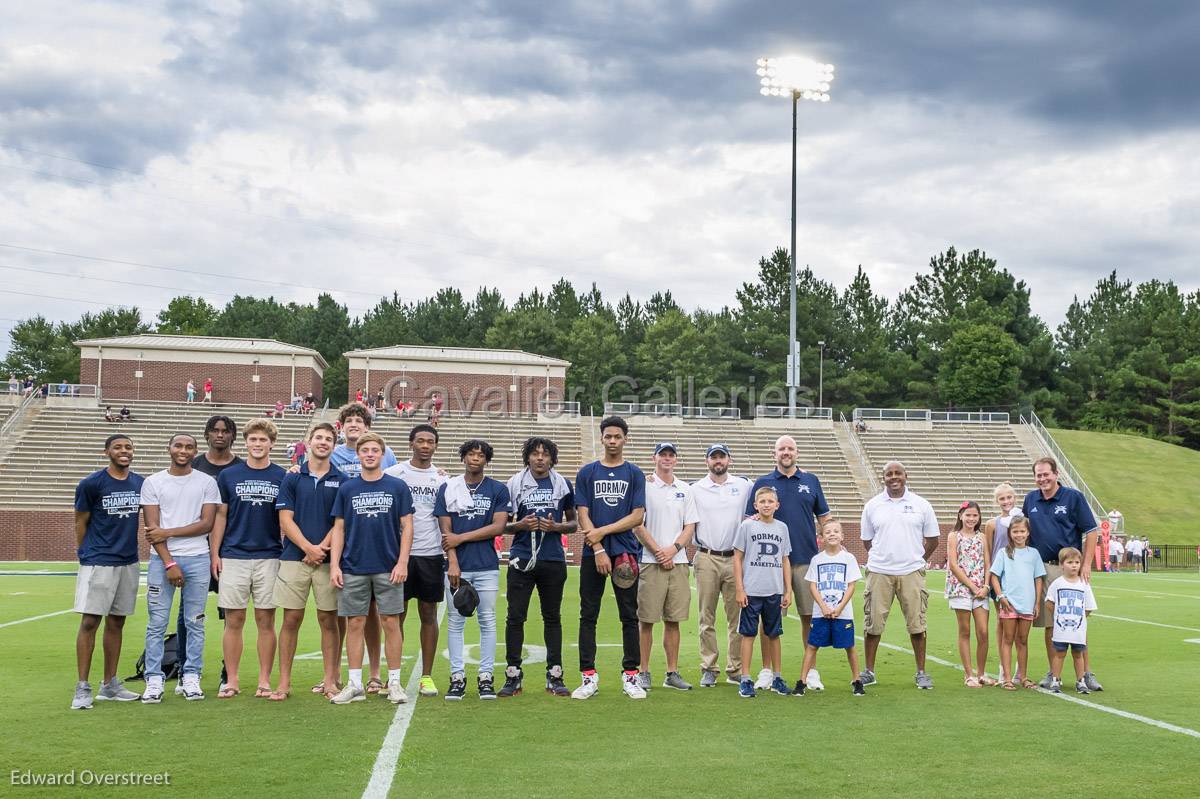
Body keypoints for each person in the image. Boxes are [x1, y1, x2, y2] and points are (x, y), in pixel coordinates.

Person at [328, 432, 415, 705]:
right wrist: (334, 565)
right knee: (355, 623)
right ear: (358, 454)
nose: (369, 454)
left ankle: (395, 683)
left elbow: (408, 526)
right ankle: (354, 684)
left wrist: (402, 562)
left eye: (374, 450)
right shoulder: (347, 488)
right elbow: (339, 528)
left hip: (388, 566)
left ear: (382, 454)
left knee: (390, 622)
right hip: (354, 565)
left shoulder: (397, 486)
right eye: (364, 450)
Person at [139, 434, 220, 703]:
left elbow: (206, 524)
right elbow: (152, 530)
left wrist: (168, 532)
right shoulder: (153, 482)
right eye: (178, 445)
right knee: (157, 622)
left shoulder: (207, 482)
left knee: (195, 621)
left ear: (196, 451)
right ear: (169, 448)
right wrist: (169, 562)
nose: (183, 451)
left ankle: (191, 676)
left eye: (188, 447)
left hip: (198, 556)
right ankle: (153, 679)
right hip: (162, 559)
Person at [209, 419, 287, 699]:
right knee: (234, 620)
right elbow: (220, 516)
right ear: (245, 442)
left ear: (271, 444)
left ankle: (265, 680)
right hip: (234, 554)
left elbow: (286, 519)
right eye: (253, 440)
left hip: (269, 555)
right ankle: (231, 679)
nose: (257, 445)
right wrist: (215, 553)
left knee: (266, 620)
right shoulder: (229, 476)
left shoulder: (282, 476)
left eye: (263, 440)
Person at [748, 436, 832, 691]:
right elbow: (751, 520)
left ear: (797, 453)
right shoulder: (763, 483)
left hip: (806, 559)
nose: (786, 452)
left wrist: (831, 549)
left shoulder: (811, 480)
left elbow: (825, 518)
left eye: (790, 449)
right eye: (781, 449)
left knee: (809, 616)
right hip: (771, 564)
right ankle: (766, 670)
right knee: (769, 619)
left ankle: (811, 670)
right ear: (774, 454)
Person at [573, 416, 647, 700]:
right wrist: (599, 548)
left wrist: (601, 533)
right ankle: (588, 677)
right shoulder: (588, 473)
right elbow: (583, 513)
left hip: (626, 554)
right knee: (588, 614)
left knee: (629, 616)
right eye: (608, 436)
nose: (613, 441)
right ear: (601, 438)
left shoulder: (634, 473)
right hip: (594, 554)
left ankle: (631, 676)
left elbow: (637, 516)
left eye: (617, 436)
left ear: (624, 439)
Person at [71, 434, 145, 709]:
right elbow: (80, 520)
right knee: (90, 622)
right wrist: (85, 553)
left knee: (117, 622)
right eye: (118, 447)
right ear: (107, 452)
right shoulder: (91, 483)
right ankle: (82, 686)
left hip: (128, 560)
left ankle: (110, 683)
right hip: (99, 560)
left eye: (128, 446)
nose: (124, 451)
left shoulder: (140, 483)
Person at [274, 422, 345, 700]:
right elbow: (284, 519)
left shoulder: (342, 480)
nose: (323, 442)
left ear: (334, 445)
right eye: (319, 437)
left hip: (328, 560)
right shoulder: (292, 477)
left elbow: (340, 522)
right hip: (294, 557)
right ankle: (283, 683)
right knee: (291, 618)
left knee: (328, 620)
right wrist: (307, 547)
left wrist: (322, 548)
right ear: (309, 441)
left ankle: (330, 681)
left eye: (329, 438)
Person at [501, 436, 576, 697]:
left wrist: (556, 527)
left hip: (553, 558)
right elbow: (502, 525)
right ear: (528, 457)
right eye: (535, 453)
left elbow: (573, 523)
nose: (540, 458)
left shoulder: (563, 484)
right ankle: (513, 675)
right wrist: (520, 525)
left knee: (552, 617)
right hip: (521, 558)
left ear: (552, 458)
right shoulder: (514, 483)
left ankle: (555, 674)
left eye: (545, 454)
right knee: (515, 617)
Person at [436, 439, 511, 700]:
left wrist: (462, 538)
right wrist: (453, 561)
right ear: (463, 458)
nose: (475, 458)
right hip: (458, 565)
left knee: (487, 620)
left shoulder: (497, 489)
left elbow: (498, 527)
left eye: (480, 455)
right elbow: (446, 530)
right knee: (456, 621)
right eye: (471, 454)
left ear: (486, 460)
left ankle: (485, 676)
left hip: (486, 565)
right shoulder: (448, 487)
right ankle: (457, 676)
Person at [858, 461, 940, 689]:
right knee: (873, 623)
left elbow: (933, 539)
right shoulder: (872, 505)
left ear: (906, 475)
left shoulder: (921, 504)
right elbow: (867, 541)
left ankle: (921, 672)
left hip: (911, 572)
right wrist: (884, 557)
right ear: (883, 478)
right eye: (889, 474)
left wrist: (917, 559)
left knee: (917, 624)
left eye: (898, 473)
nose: (894, 477)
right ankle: (869, 671)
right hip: (879, 572)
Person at [1022, 457, 1101, 692]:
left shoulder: (1073, 497)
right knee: (1050, 624)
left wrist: (1086, 565)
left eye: (1046, 474)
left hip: (1069, 568)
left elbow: (1092, 531)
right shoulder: (1030, 499)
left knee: (1078, 622)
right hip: (1042, 568)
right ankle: (1053, 672)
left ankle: (1086, 673)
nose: (1042, 479)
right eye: (1038, 475)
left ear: (1056, 474)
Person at [385, 424, 449, 698]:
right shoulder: (394, 474)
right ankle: (394, 677)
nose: (425, 445)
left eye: (430, 441)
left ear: (435, 445)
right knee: (396, 615)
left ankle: (426, 676)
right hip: (398, 555)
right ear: (411, 443)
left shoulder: (443, 479)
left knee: (428, 613)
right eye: (420, 441)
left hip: (431, 553)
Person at [634, 442, 698, 692]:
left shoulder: (685, 489)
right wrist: (659, 552)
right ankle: (643, 671)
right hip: (650, 562)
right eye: (663, 455)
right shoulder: (645, 486)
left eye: (671, 455)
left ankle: (672, 672)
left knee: (674, 620)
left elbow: (690, 525)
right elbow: (638, 524)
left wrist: (673, 550)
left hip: (678, 562)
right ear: (655, 458)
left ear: (676, 460)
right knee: (646, 620)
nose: (667, 459)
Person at [689, 443, 754, 688]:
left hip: (735, 557)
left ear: (729, 459)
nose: (718, 461)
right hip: (706, 555)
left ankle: (734, 668)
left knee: (736, 617)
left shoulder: (744, 485)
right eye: (714, 457)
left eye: (722, 457)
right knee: (706, 616)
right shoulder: (696, 488)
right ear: (707, 461)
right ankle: (709, 667)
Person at [189, 415, 242, 693]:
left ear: (233, 436)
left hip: (228, 549)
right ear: (207, 434)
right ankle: (188, 670)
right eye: (215, 430)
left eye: (225, 431)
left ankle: (227, 671)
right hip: (194, 547)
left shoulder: (240, 467)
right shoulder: (194, 464)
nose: (220, 435)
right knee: (190, 612)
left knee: (229, 614)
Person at [733, 486, 791, 698]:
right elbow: (737, 558)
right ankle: (746, 678)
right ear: (755, 505)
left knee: (774, 634)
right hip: (752, 590)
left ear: (777, 505)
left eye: (770, 501)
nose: (766, 505)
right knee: (748, 634)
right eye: (762, 501)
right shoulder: (747, 526)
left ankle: (777, 677)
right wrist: (740, 588)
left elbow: (785, 559)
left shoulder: (782, 528)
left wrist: (788, 590)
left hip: (774, 590)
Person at [796, 520, 864, 696]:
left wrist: (840, 607)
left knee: (849, 646)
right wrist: (823, 606)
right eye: (828, 532)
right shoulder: (817, 560)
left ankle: (857, 680)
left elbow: (851, 585)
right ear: (821, 538)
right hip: (821, 613)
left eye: (836, 531)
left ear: (842, 536)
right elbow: (812, 586)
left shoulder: (849, 559)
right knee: (812, 645)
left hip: (843, 613)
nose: (832, 534)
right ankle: (802, 681)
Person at [989, 516, 1045, 690]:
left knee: (1023, 640)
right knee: (1007, 639)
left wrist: (1036, 603)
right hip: (1009, 604)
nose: (1019, 535)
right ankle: (1006, 678)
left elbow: (1038, 579)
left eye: (1022, 531)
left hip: (1027, 604)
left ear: (1028, 533)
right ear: (1010, 533)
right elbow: (994, 576)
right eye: (1015, 531)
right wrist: (1001, 596)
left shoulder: (1034, 553)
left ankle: (1023, 676)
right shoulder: (1004, 553)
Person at [944, 501, 994, 687]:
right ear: (960, 516)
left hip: (981, 589)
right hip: (961, 588)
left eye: (975, 515)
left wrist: (986, 586)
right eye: (968, 515)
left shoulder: (982, 537)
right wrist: (972, 587)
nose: (971, 519)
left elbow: (988, 562)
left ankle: (981, 673)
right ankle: (968, 674)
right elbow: (954, 565)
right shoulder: (953, 536)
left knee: (983, 631)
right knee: (965, 630)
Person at [1044, 546, 1098, 694]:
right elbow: (1049, 602)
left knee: (1078, 654)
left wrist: (1079, 618)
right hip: (1061, 628)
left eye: (1076, 562)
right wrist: (1059, 616)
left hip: (1077, 629)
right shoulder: (1057, 583)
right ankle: (1055, 679)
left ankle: (1080, 680)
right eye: (1069, 562)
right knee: (1059, 654)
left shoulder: (1084, 584)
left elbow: (1089, 606)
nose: (1074, 565)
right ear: (1062, 565)